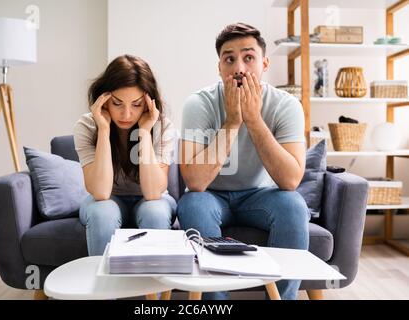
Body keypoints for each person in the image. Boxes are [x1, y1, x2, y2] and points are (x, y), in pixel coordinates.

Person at [177, 23, 310, 300]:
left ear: (264, 63)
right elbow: (195, 181)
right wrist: (234, 120)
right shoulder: (197, 104)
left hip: (261, 196)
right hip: (211, 196)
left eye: (248, 57)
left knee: (294, 205)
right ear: (219, 68)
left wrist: (254, 119)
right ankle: (217, 303)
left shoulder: (286, 106)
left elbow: (290, 180)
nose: (239, 67)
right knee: (191, 203)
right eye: (229, 59)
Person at [74, 55, 177, 256]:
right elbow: (101, 193)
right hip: (108, 199)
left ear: (148, 103)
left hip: (150, 199)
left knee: (154, 211)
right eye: (117, 103)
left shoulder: (162, 127)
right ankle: (105, 287)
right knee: (102, 212)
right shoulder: (86, 126)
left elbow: (154, 193)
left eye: (136, 104)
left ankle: (151, 288)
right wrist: (103, 130)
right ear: (104, 99)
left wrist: (145, 132)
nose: (126, 114)